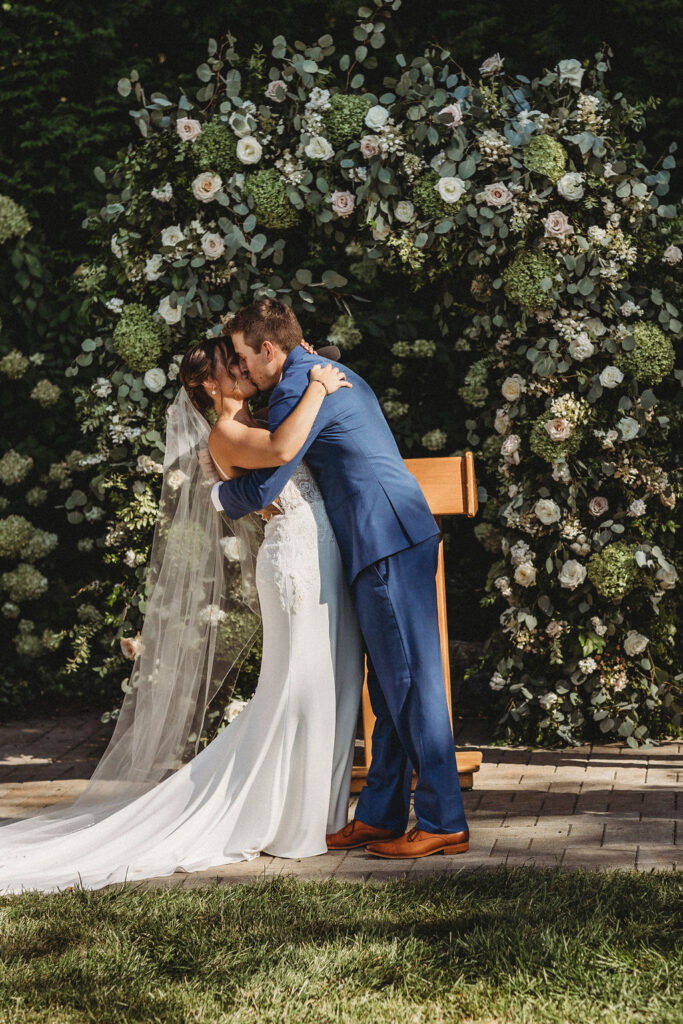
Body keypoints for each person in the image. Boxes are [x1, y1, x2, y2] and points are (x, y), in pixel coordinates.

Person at [0, 338, 364, 894]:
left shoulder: (257, 416)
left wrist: (303, 359)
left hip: (315, 556)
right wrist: (316, 381)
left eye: (242, 361)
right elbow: (285, 447)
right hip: (294, 563)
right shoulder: (227, 434)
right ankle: (293, 822)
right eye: (231, 366)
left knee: (326, 685)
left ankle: (318, 813)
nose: (243, 369)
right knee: (298, 688)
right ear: (209, 386)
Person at [212, 299, 470, 859]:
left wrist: (212, 493)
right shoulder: (320, 373)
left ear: (269, 349)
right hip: (393, 533)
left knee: (410, 684)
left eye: (242, 356)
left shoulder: (296, 390)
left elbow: (263, 488)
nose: (241, 369)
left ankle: (444, 819)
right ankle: (378, 814)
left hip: (385, 538)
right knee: (390, 684)